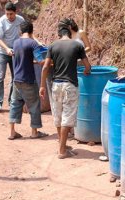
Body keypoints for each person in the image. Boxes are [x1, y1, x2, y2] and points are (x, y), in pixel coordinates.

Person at [39, 25, 91, 159]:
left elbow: (45, 67)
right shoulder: (77, 45)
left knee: (58, 115)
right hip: (70, 86)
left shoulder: (53, 45)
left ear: (59, 35)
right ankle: (62, 151)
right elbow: (87, 66)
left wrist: (42, 85)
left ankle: (63, 145)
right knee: (67, 118)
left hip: (56, 85)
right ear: (70, 34)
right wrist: (86, 71)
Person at [8, 21, 48, 140]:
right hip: (28, 80)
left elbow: (21, 59)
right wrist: (50, 62)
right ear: (31, 31)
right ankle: (34, 132)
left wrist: (33, 62)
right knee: (34, 105)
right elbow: (40, 60)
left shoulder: (15, 43)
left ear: (20, 31)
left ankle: (12, 132)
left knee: (15, 104)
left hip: (16, 79)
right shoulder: (32, 43)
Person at [0, 2, 25, 111]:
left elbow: (25, 34)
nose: (9, 16)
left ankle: (12, 101)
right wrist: (7, 49)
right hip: (2, 52)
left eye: (11, 14)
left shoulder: (20, 20)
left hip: (15, 52)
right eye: (7, 14)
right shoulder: (1, 22)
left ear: (16, 12)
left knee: (15, 76)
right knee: (0, 76)